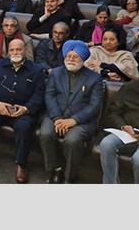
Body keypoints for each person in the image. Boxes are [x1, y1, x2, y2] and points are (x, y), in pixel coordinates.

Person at [0, 39, 46, 183]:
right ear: (8, 52)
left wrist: (26, 108)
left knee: (24, 127)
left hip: (22, 111)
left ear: (25, 51)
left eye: (18, 49)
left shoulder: (36, 70)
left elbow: (39, 94)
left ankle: (21, 164)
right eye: (12, 50)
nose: (15, 52)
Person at [39, 40, 104, 184]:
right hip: (56, 115)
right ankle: (53, 169)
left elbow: (94, 105)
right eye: (69, 56)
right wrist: (57, 118)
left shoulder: (95, 78)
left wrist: (74, 120)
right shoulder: (56, 73)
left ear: (83, 59)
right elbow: (49, 96)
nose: (71, 59)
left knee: (72, 140)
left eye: (75, 57)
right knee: (45, 133)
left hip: (82, 121)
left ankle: (70, 176)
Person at [99, 57, 139, 184]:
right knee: (106, 144)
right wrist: (123, 126)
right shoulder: (129, 88)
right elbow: (114, 112)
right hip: (128, 133)